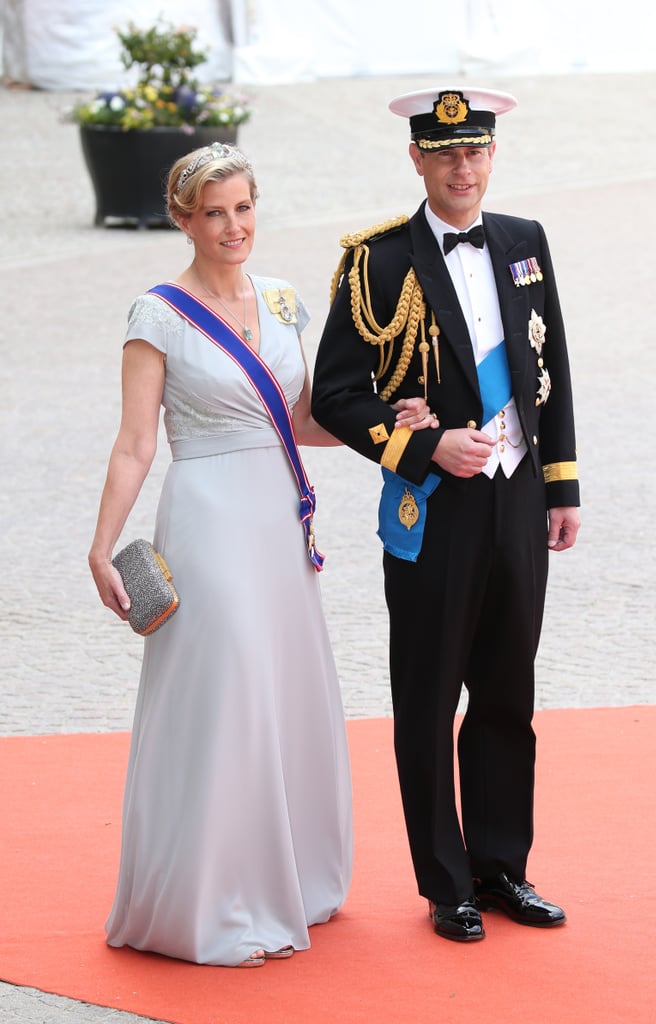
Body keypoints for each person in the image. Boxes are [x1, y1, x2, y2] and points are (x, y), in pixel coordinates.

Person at [88, 141, 438, 968]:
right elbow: (136, 444)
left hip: (280, 520)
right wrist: (101, 546)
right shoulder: (158, 315)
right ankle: (210, 899)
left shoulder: (282, 301)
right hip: (207, 518)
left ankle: (290, 877)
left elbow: (305, 420)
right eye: (213, 212)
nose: (232, 226)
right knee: (228, 691)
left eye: (243, 208)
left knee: (281, 689)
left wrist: (392, 423)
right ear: (182, 220)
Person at [311, 88, 580, 943]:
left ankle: (503, 867)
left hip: (514, 497)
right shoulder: (376, 262)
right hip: (433, 507)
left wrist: (560, 487)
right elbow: (340, 395)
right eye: (446, 154)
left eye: (475, 153)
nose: (462, 168)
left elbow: (553, 368)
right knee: (427, 697)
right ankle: (446, 882)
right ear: (418, 159)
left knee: (507, 692)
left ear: (490, 157)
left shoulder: (523, 242)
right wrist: (422, 449)